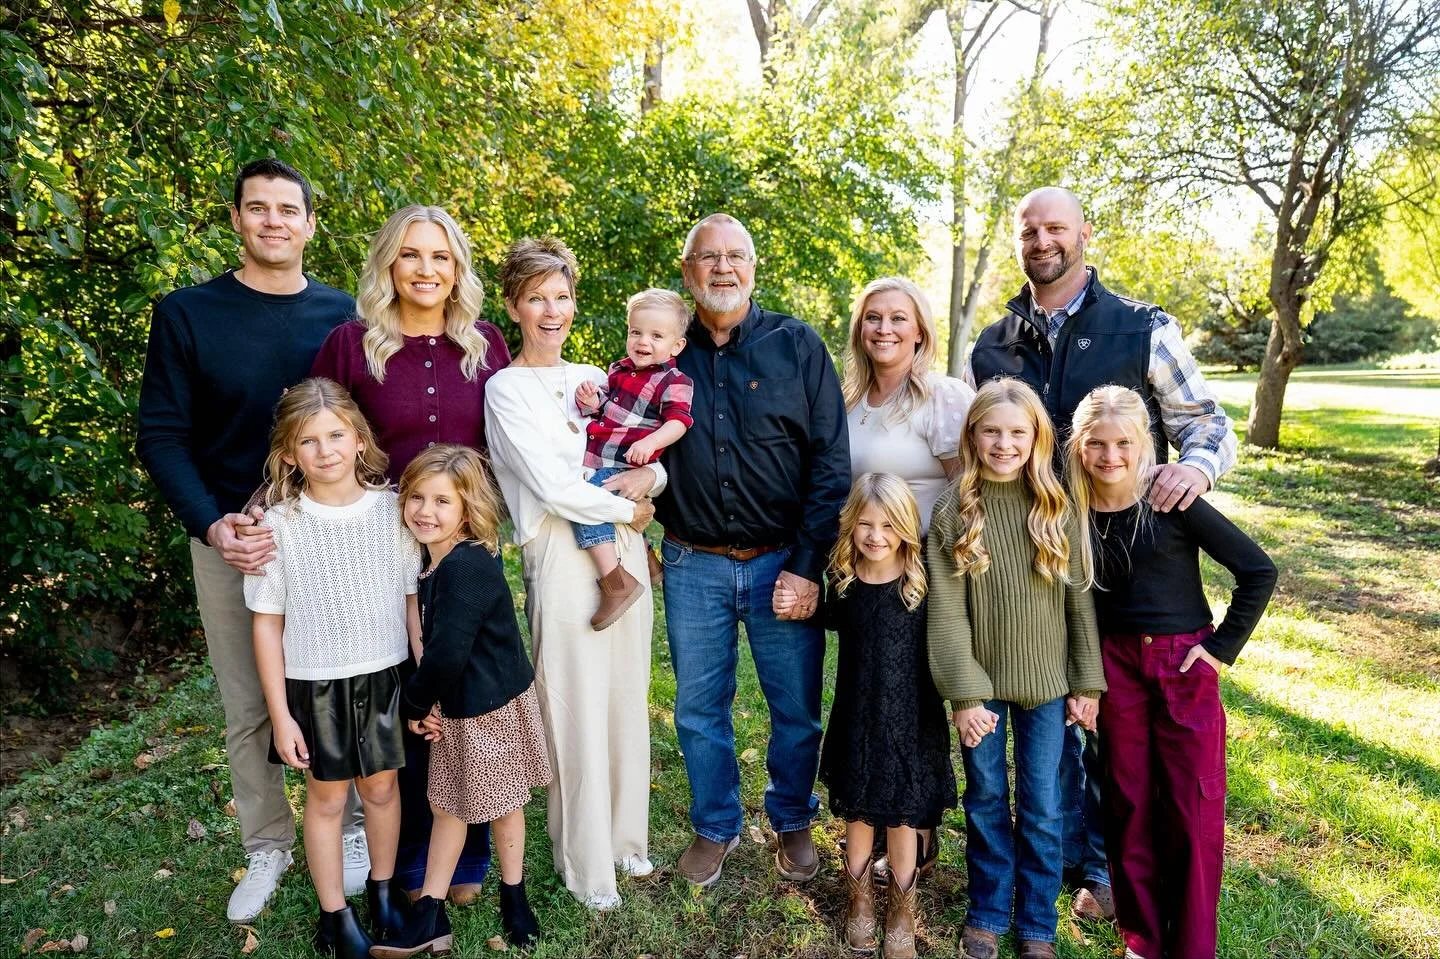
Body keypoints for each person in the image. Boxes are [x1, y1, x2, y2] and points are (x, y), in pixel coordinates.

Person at [965, 186, 1239, 919]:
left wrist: (1193, 469)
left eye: (1056, 226)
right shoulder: (992, 344)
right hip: (1030, 567)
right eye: (1030, 229)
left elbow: (1207, 421)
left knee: (1108, 724)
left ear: (1084, 233)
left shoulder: (1140, 327)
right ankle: (1061, 855)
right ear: (1018, 239)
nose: (1043, 239)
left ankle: (1103, 868)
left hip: (1127, 565)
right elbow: (979, 443)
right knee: (1062, 716)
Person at [136, 159, 369, 922]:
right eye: (257, 208)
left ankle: (359, 824)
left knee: (348, 677)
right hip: (233, 536)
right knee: (249, 699)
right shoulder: (187, 314)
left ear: (310, 224)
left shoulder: (344, 318)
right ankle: (268, 841)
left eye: (287, 209)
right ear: (237, 220)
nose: (273, 221)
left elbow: (366, 429)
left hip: (331, 536)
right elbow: (162, 435)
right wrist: (213, 523)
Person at [310, 204, 510, 904]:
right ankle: (408, 850)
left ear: (457, 269)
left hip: (463, 551)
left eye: (441, 257)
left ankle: (469, 850)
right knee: (399, 695)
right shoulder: (351, 343)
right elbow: (316, 435)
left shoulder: (485, 345)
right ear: (388, 264)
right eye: (411, 255)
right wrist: (260, 506)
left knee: (465, 693)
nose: (426, 269)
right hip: (378, 547)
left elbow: (514, 443)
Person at [655, 213, 850, 888]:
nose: (722, 268)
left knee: (794, 706)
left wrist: (805, 565)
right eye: (708, 257)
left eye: (736, 255)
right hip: (692, 561)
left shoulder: (797, 346)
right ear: (688, 271)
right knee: (698, 706)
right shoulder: (663, 353)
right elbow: (615, 436)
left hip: (781, 562)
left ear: (753, 268)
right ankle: (715, 825)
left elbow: (830, 462)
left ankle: (792, 815)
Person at [484, 237, 663, 910]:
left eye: (561, 296)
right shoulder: (504, 389)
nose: (551, 310)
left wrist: (653, 479)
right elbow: (553, 484)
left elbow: (646, 448)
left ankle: (625, 838)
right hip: (560, 550)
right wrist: (630, 502)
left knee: (623, 694)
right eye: (536, 298)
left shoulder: (599, 373)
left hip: (621, 539)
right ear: (513, 306)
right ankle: (585, 861)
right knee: (575, 702)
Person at [1067, 386, 1276, 959]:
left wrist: (1219, 648)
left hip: (1182, 663)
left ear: (1145, 445)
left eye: (1124, 444)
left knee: (1191, 808)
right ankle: (1142, 940)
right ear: (1079, 448)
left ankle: (1190, 947)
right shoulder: (1070, 513)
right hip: (1115, 669)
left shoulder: (1171, 500)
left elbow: (1258, 570)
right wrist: (1084, 679)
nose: (1111, 457)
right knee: (1128, 803)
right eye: (1098, 445)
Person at [926, 377, 1106, 959]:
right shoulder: (954, 508)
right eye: (991, 433)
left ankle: (1036, 926)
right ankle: (986, 910)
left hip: (1050, 687)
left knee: (1043, 805)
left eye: (1016, 433)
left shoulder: (1056, 505)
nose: (1004, 444)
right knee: (984, 798)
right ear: (973, 436)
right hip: (981, 689)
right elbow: (948, 610)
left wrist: (1087, 682)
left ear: (1036, 438)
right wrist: (965, 694)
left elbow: (1079, 600)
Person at [243, 379, 421, 959]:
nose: (326, 451)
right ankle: (333, 914)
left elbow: (409, 603)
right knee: (325, 798)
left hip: (387, 674)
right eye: (309, 441)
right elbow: (267, 622)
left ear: (360, 438)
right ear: (289, 454)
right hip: (315, 683)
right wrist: (281, 715)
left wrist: (424, 686)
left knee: (383, 789)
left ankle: (383, 890)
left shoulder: (394, 511)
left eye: (336, 435)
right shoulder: (277, 523)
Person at [374, 446, 551, 957]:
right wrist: (432, 706)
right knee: (448, 804)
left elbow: (448, 653)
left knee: (503, 803)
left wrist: (413, 704)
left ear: (467, 509)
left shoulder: (466, 566)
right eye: (417, 498)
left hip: (490, 708)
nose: (425, 511)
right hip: (458, 707)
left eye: (442, 502)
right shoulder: (434, 563)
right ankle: (430, 910)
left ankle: (514, 896)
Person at [787, 473, 954, 959]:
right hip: (857, 716)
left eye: (887, 525)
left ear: (906, 526)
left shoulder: (922, 580)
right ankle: (859, 897)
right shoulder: (843, 581)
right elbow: (827, 618)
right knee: (858, 807)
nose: (875, 535)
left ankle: (902, 907)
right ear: (850, 526)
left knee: (902, 811)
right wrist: (797, 605)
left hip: (912, 719)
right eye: (864, 524)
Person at [571, 288, 694, 629]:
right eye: (636, 332)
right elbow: (608, 412)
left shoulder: (675, 380)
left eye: (656, 336)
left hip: (627, 463)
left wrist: (653, 441)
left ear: (676, 346)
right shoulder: (618, 370)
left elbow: (679, 422)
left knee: (588, 508)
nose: (643, 341)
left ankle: (615, 581)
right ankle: (649, 561)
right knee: (608, 510)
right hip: (600, 457)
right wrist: (591, 403)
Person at [843, 277, 974, 533]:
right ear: (860, 330)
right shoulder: (846, 401)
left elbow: (970, 498)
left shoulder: (943, 397)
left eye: (898, 318)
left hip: (926, 563)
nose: (883, 328)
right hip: (860, 562)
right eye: (872, 318)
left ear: (919, 332)